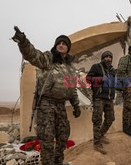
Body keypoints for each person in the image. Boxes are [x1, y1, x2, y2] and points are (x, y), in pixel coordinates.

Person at [12, 26, 81, 165]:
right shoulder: (48, 59)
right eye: (59, 43)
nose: (61, 45)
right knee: (47, 140)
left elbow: (72, 89)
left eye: (64, 43)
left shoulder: (70, 67)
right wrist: (24, 42)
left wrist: (76, 105)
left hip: (61, 105)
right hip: (46, 105)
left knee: (62, 138)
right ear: (56, 46)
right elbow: (33, 55)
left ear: (68, 47)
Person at [86, 51, 115, 154]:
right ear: (102, 58)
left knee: (110, 118)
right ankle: (97, 143)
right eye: (106, 57)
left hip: (109, 98)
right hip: (99, 97)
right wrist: (100, 79)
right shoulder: (96, 67)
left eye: (110, 57)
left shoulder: (112, 70)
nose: (108, 59)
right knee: (97, 120)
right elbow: (88, 79)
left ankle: (101, 135)